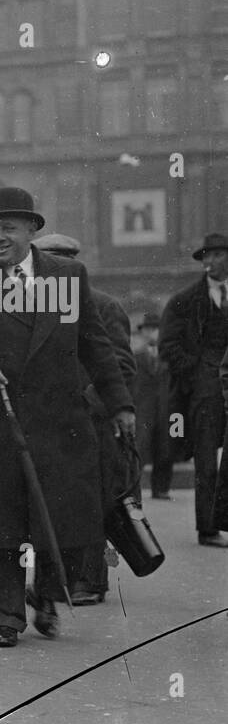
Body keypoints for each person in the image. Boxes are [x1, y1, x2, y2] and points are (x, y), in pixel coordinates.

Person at [0, 187, 134, 647]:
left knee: (57, 519)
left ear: (32, 231)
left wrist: (120, 405)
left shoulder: (68, 277)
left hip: (59, 422)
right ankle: (4, 617)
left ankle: (45, 594)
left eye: (7, 228)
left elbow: (96, 347)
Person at [32, 232, 137, 606]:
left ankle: (91, 582)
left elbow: (120, 365)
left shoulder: (103, 306)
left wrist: (90, 404)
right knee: (62, 503)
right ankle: (58, 580)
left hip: (91, 421)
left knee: (94, 502)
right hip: (52, 422)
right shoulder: (36, 306)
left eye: (60, 261)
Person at [159, 233, 228, 547]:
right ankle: (208, 528)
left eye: (216, 255)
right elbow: (168, 345)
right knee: (205, 459)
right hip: (204, 390)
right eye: (205, 257)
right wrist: (195, 370)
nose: (209, 263)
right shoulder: (184, 300)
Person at [133, 312, 173, 500]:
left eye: (156, 329)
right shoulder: (136, 357)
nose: (152, 333)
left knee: (165, 449)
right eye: (148, 329)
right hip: (144, 409)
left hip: (166, 409)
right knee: (139, 448)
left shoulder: (170, 356)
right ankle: (133, 488)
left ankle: (161, 488)